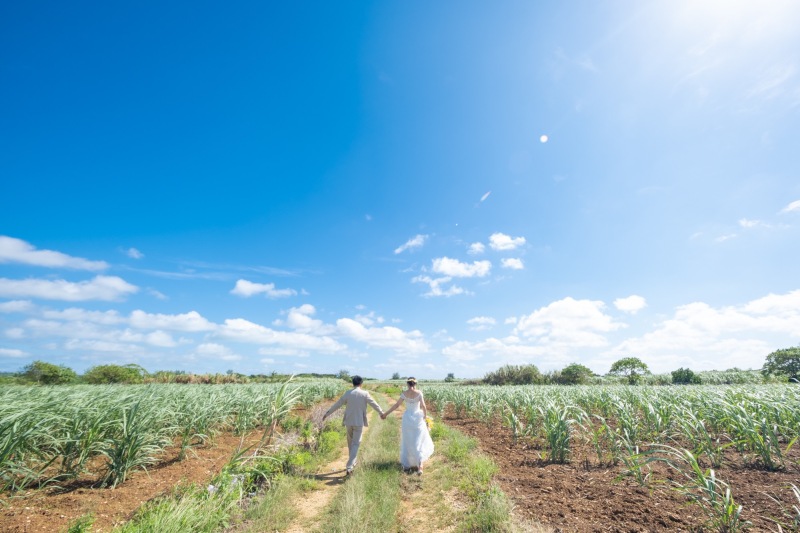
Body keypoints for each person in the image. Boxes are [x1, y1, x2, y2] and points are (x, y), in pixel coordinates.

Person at [323, 375, 385, 475]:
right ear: (361, 383)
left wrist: (327, 413)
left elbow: (337, 404)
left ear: (353, 383)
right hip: (359, 422)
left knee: (350, 443)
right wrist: (381, 412)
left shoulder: (348, 393)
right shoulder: (365, 393)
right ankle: (349, 466)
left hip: (348, 422)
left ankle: (352, 462)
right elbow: (373, 403)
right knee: (355, 443)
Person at [381, 377, 434, 475]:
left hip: (407, 418)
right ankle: (420, 465)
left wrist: (385, 414)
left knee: (408, 440)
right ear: (415, 384)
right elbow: (424, 407)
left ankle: (409, 464)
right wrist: (425, 417)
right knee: (418, 441)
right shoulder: (419, 393)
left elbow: (396, 405)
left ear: (408, 384)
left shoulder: (404, 394)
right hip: (417, 418)